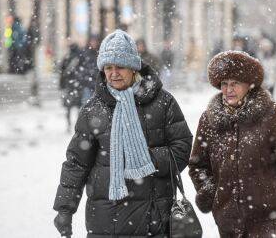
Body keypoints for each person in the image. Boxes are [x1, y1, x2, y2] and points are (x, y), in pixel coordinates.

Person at [53, 29, 193, 237]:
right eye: (108, 67)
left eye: (120, 67)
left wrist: (147, 159)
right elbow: (77, 162)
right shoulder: (93, 109)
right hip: (106, 221)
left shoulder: (163, 102)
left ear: (134, 68)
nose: (113, 73)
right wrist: (65, 208)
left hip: (152, 219)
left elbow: (182, 148)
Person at [189, 51, 276, 237]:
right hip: (230, 223)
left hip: (273, 220)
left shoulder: (272, 114)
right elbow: (198, 165)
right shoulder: (209, 120)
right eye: (224, 84)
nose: (229, 90)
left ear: (249, 85)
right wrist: (212, 193)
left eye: (235, 83)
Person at [58, 43, 84, 132]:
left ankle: (69, 125)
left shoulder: (66, 58)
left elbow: (61, 73)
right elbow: (85, 72)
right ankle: (78, 126)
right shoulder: (80, 58)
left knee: (68, 108)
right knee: (79, 108)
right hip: (78, 86)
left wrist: (61, 86)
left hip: (69, 86)